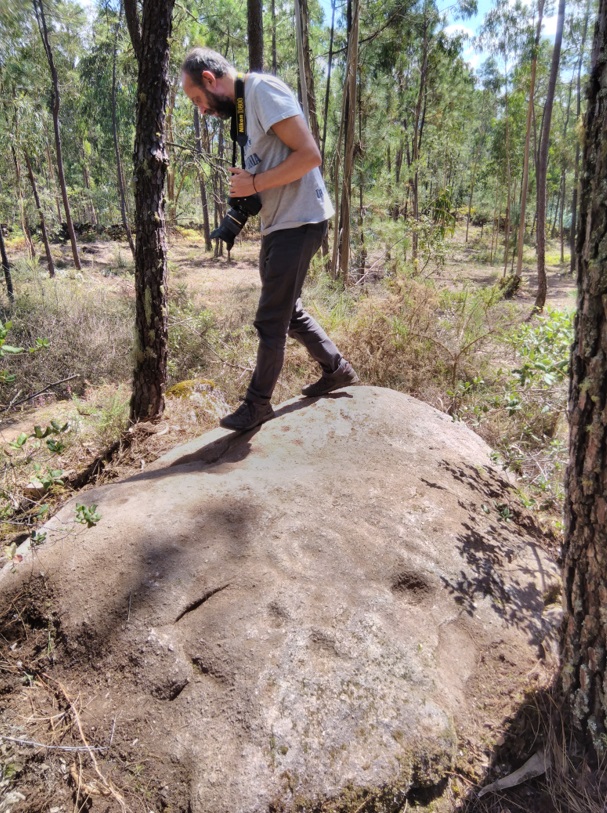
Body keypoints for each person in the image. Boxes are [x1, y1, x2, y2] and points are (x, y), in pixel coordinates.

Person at [181, 47, 359, 432]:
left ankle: (257, 405)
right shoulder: (244, 113)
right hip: (280, 223)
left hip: (300, 220)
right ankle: (336, 369)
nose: (201, 110)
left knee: (271, 319)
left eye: (198, 99)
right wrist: (239, 209)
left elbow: (310, 155)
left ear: (210, 80)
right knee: (288, 311)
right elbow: (268, 173)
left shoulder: (262, 91)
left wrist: (255, 181)